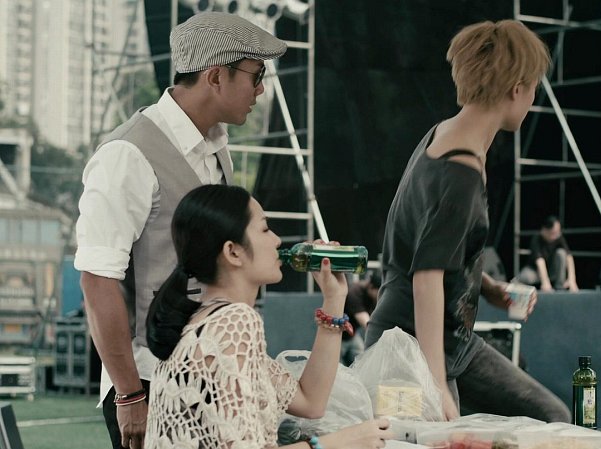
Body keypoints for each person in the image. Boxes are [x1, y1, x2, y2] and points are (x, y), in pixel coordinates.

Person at [74, 12, 286, 449]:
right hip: (150, 380)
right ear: (216, 76)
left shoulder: (217, 147)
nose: (261, 89)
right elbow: (97, 280)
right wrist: (129, 393)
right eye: (256, 75)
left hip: (209, 371)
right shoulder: (127, 154)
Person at [365, 20, 571, 423]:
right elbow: (426, 279)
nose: (533, 99)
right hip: (410, 347)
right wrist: (435, 384)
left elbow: (438, 252)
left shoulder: (444, 136)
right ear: (518, 89)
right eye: (534, 88)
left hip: (450, 342)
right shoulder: (460, 173)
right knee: (455, 435)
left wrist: (490, 289)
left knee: (550, 415)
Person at [143, 184, 392, 448]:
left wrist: (334, 297)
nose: (276, 240)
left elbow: (311, 402)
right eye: (264, 229)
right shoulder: (233, 321)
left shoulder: (205, 320)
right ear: (233, 252)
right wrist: (338, 442)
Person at [516, 216, 579, 292]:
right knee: (523, 278)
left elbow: (569, 256)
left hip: (552, 271)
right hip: (536, 271)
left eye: (557, 232)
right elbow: (540, 261)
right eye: (553, 232)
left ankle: (560, 286)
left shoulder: (558, 237)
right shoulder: (537, 239)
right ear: (544, 230)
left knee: (561, 253)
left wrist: (572, 279)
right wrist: (545, 281)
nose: (556, 235)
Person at [340, 271, 381, 366]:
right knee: (335, 367)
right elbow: (366, 323)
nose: (381, 295)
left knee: (363, 362)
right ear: (371, 287)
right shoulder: (355, 292)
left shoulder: (373, 296)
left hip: (352, 335)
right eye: (379, 292)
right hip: (338, 336)